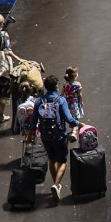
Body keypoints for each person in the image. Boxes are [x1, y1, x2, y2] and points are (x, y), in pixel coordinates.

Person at [28, 75, 79, 205]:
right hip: (59, 135)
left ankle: (56, 184)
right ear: (56, 86)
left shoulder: (39, 101)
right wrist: (77, 124)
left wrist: (30, 135)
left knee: (51, 159)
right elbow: (68, 118)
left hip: (45, 136)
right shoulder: (60, 100)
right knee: (62, 161)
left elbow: (33, 120)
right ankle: (56, 184)